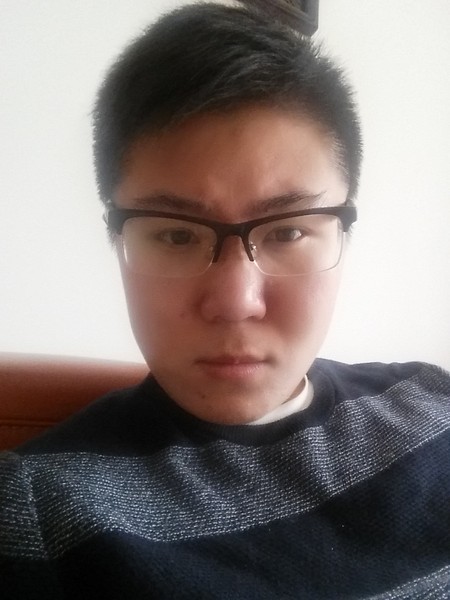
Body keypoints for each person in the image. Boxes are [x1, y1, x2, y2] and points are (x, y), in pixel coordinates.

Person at [1, 2, 449, 598]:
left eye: (288, 231)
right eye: (176, 236)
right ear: (117, 240)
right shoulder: (35, 512)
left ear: (344, 233)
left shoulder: (433, 406)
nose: (237, 302)